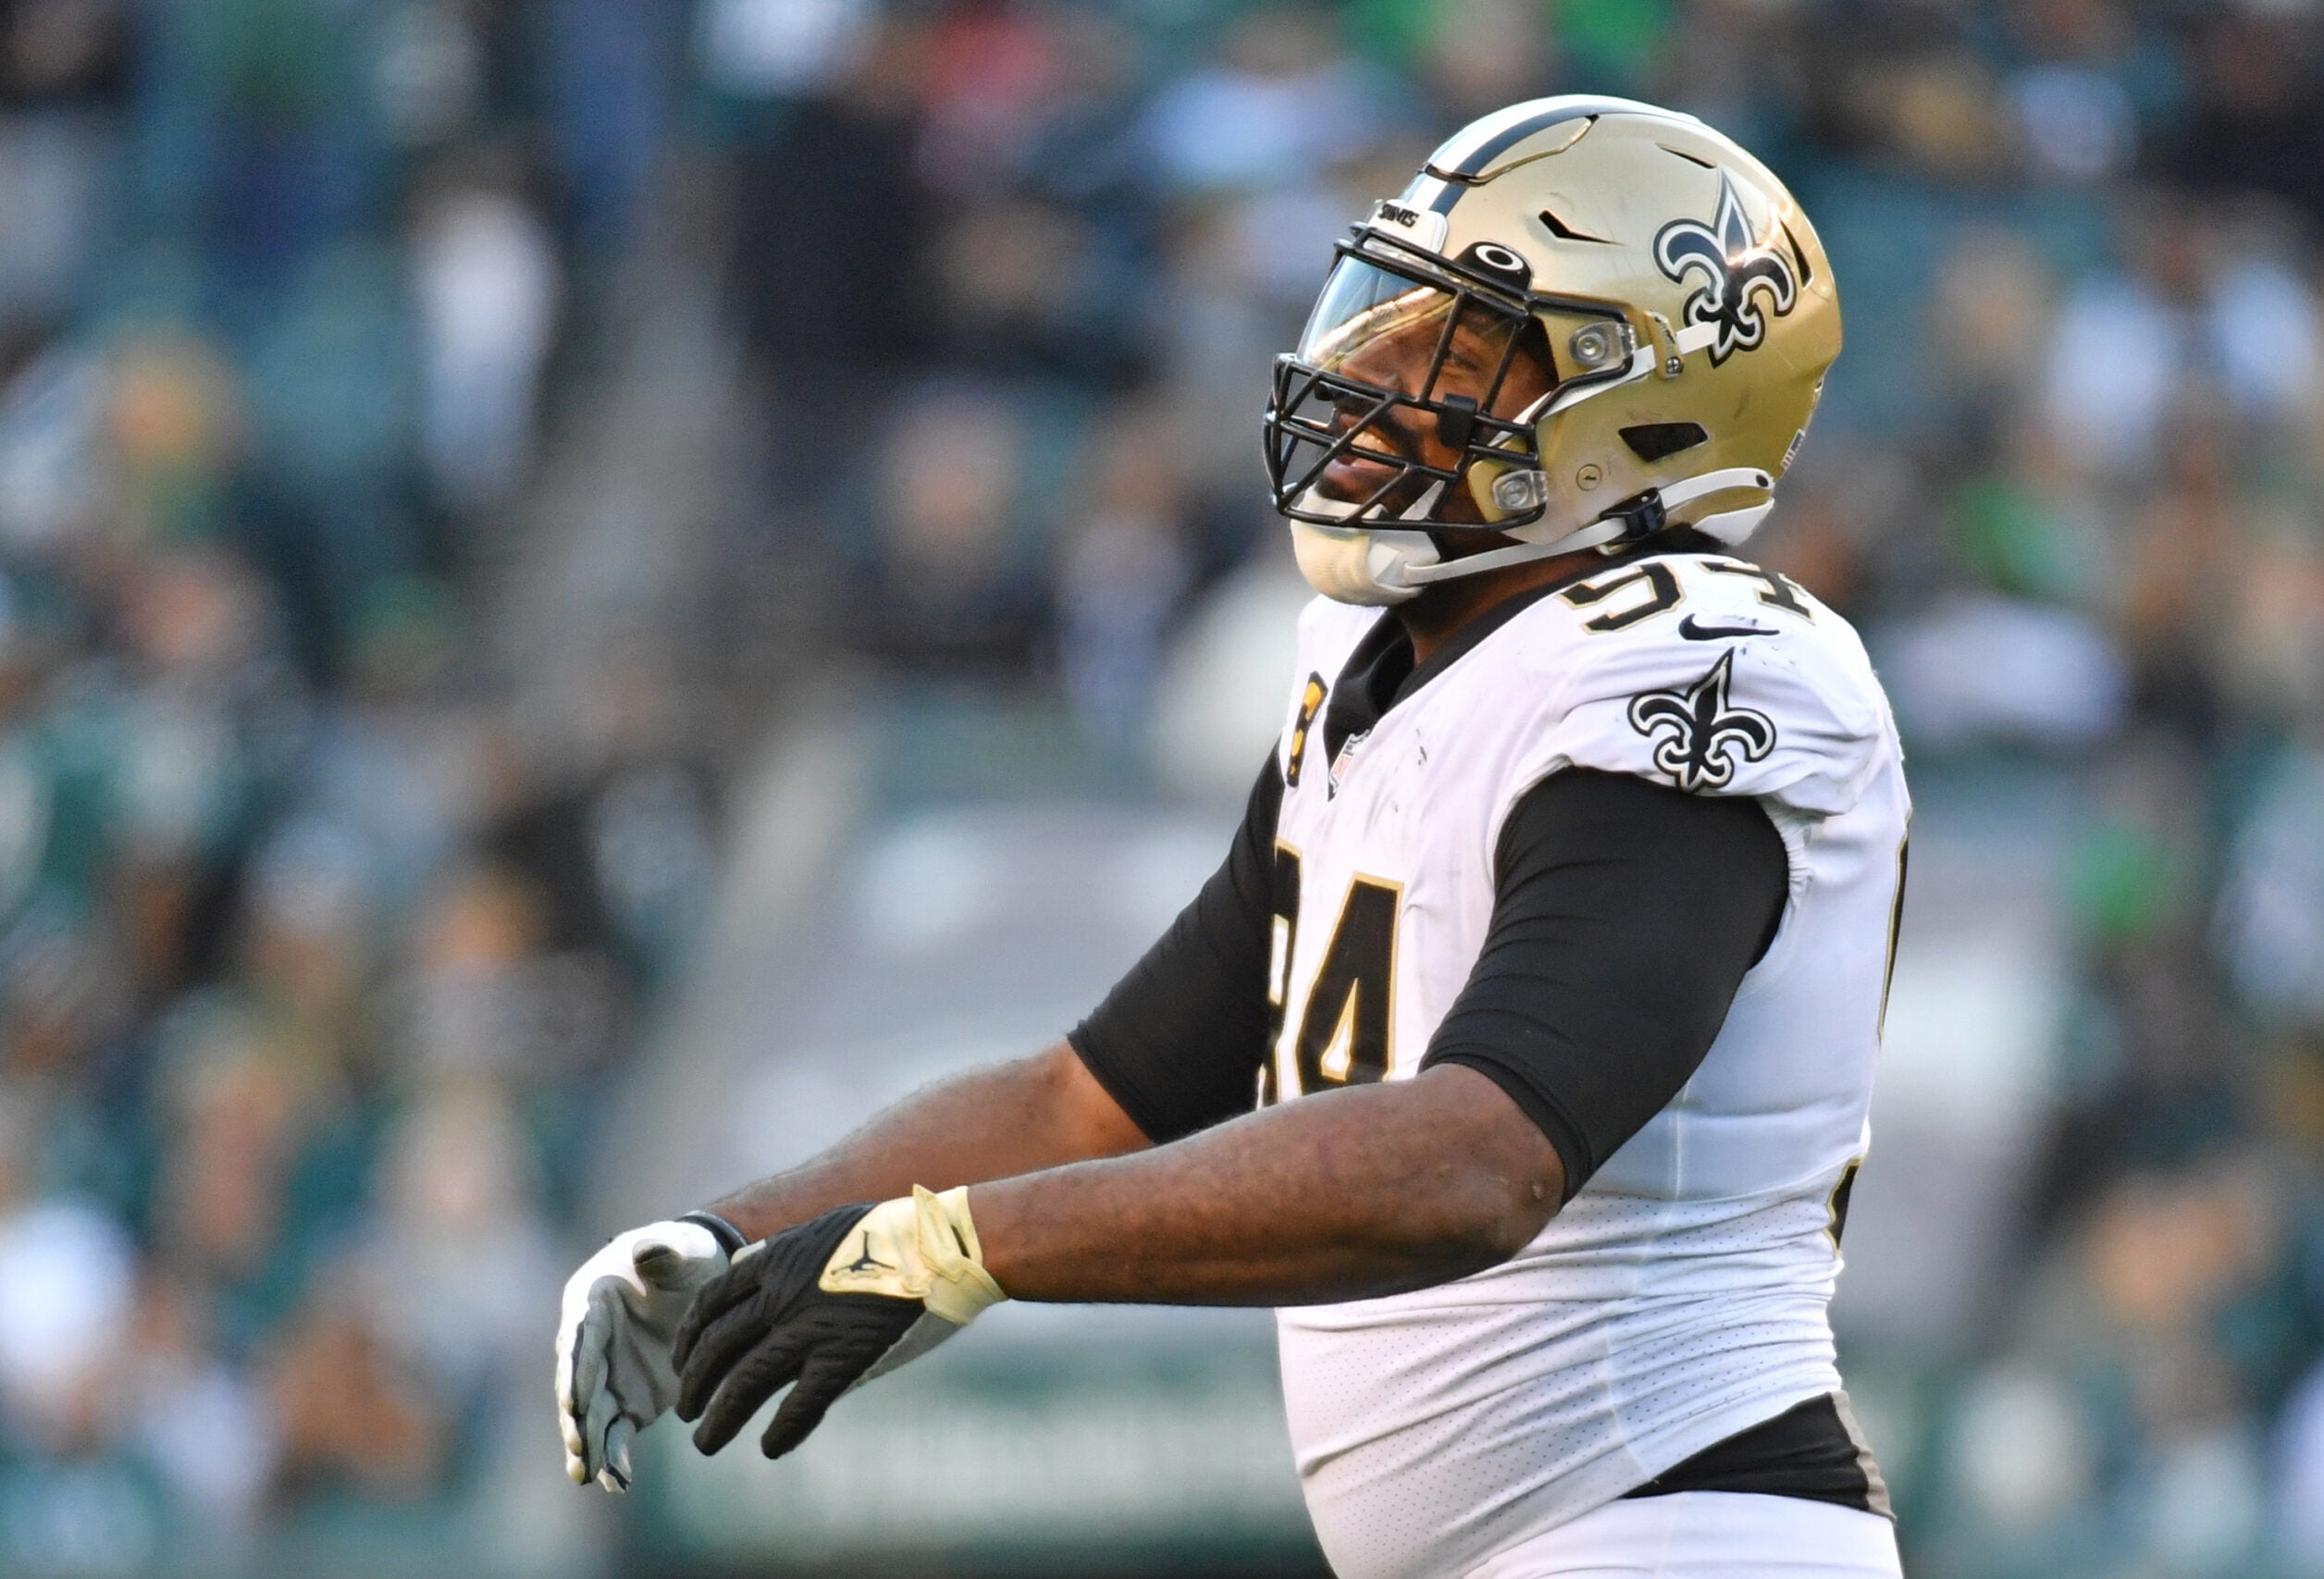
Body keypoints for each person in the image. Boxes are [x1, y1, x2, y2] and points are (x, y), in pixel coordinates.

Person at [554, 96, 1909, 1579]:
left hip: (1675, 1527)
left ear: (1637, 418)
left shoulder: (1691, 669)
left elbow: (1481, 1159)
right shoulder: (1376, 665)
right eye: (1388, 315)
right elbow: (1090, 1097)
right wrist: (734, 1231)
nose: (1376, 374)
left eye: (1458, 350)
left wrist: (967, 1248)